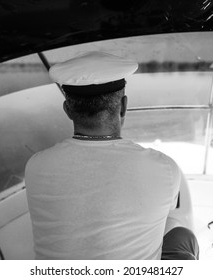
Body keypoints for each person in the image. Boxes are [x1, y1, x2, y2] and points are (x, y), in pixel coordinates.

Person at [25, 51, 199, 260]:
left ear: (67, 110)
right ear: (124, 106)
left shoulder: (36, 166)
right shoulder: (165, 168)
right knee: (181, 235)